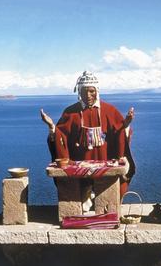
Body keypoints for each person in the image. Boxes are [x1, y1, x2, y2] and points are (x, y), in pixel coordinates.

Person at [40, 71, 135, 210]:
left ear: (97, 91)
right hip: (79, 165)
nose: (88, 96)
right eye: (84, 92)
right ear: (79, 91)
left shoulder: (109, 110)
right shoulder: (70, 112)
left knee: (108, 201)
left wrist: (125, 125)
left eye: (91, 91)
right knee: (79, 199)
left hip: (105, 162)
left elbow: (119, 133)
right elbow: (61, 136)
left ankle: (106, 214)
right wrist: (51, 126)